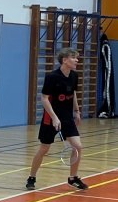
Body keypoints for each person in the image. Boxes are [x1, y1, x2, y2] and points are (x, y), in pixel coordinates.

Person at [26, 48, 88, 192]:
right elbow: (44, 98)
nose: (77, 60)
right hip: (50, 118)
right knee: (44, 149)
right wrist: (54, 117)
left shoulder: (74, 76)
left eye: (77, 57)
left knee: (77, 147)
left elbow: (73, 93)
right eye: (74, 57)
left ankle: (73, 178)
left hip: (67, 117)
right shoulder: (52, 77)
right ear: (65, 60)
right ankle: (32, 177)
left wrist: (77, 111)